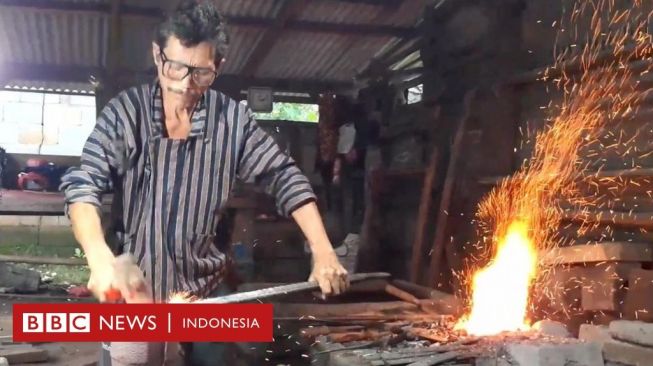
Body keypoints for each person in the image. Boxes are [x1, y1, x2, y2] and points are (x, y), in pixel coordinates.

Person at [59, 1, 349, 364]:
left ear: (218, 67)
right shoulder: (125, 115)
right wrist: (99, 257)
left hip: (204, 296)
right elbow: (84, 183)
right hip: (133, 292)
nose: (183, 85)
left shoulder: (231, 122)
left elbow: (283, 175)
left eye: (200, 73)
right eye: (175, 68)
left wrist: (323, 251)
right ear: (157, 54)